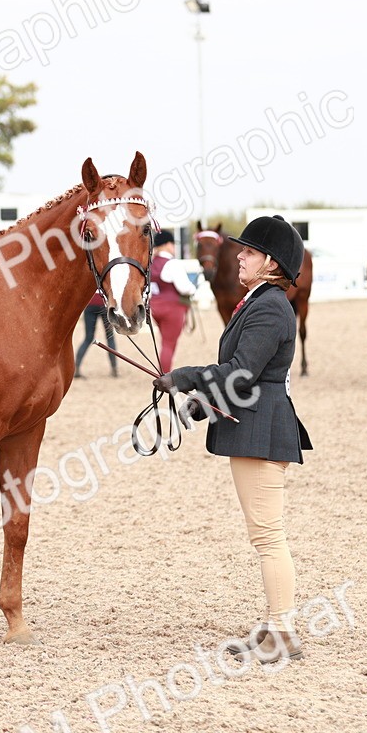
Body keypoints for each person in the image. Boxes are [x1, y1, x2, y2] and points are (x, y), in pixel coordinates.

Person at [153, 215, 313, 663]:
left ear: (271, 263)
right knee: (264, 533)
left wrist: (186, 376)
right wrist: (202, 404)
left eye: (249, 251)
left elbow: (240, 372)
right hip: (255, 423)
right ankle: (273, 626)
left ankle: (282, 631)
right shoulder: (259, 301)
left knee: (268, 535)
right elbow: (249, 377)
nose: (239, 256)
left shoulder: (268, 306)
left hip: (262, 431)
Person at [147, 229, 197, 374]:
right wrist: (193, 288)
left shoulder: (151, 263)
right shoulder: (172, 264)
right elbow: (184, 288)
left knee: (165, 343)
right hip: (172, 308)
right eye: (172, 244)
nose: (174, 247)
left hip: (155, 307)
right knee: (169, 345)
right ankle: (164, 374)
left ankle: (164, 371)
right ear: (167, 244)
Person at [73, 292, 118, 378]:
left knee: (88, 338)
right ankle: (114, 369)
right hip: (105, 304)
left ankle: (77, 368)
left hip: (90, 304)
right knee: (110, 337)